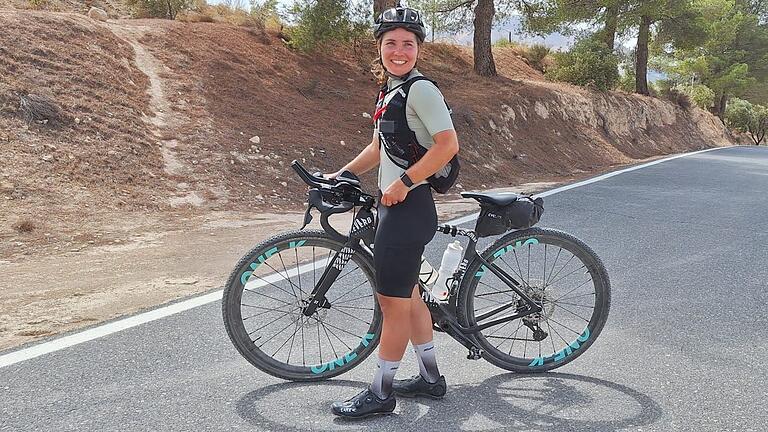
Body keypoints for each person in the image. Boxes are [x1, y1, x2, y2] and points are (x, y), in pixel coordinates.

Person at [327, 5, 460, 419]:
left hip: (408, 210)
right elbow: (377, 149)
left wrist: (404, 183)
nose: (399, 51)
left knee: (392, 306)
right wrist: (340, 174)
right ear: (379, 48)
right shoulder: (390, 89)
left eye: (407, 43)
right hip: (395, 208)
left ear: (419, 48)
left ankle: (382, 393)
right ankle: (431, 379)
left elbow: (447, 145)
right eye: (391, 43)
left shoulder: (421, 89)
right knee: (411, 298)